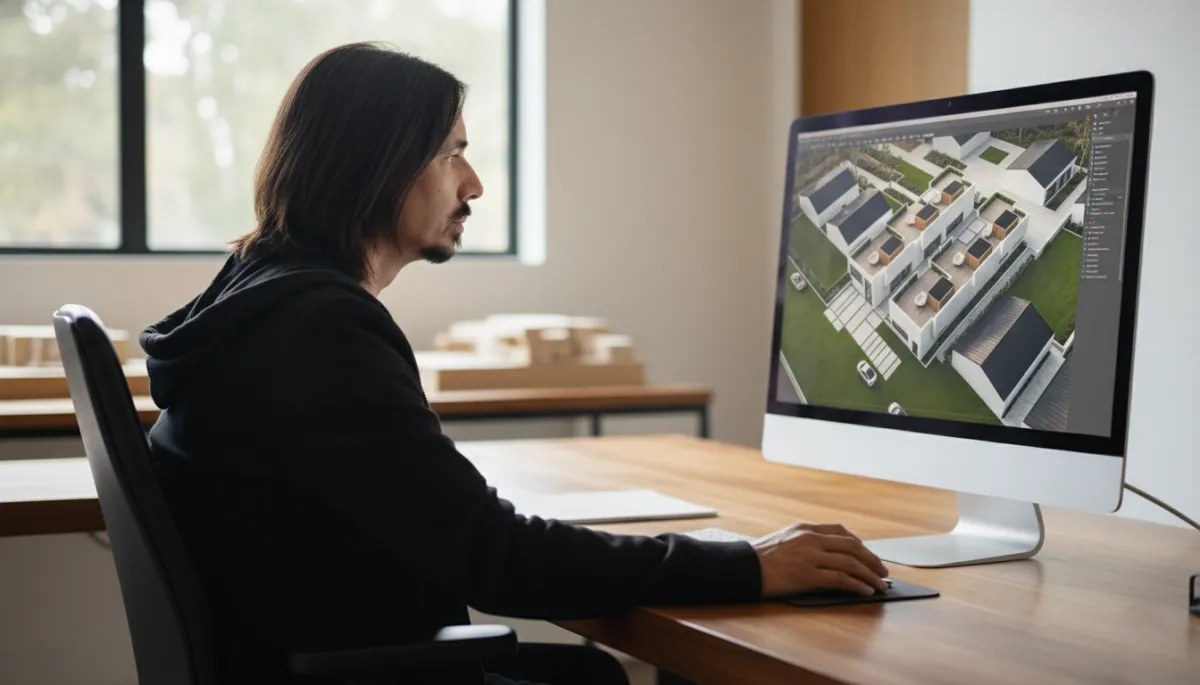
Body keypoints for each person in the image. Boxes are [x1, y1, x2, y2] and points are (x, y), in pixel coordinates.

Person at [138, 42, 889, 685]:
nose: (474, 185)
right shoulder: (319, 330)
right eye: (452, 153)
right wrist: (746, 564)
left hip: (307, 647)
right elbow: (494, 557)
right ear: (376, 167)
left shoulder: (258, 290)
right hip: (350, 661)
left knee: (592, 671)